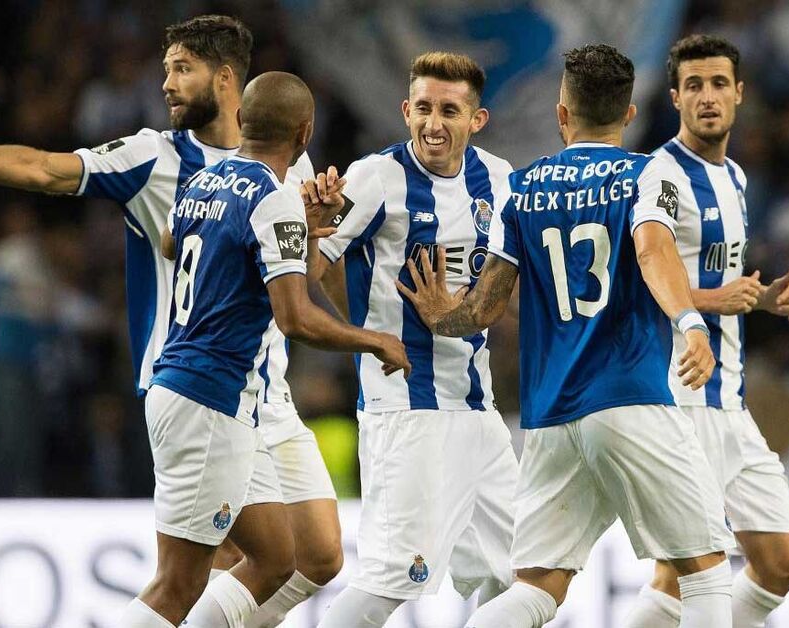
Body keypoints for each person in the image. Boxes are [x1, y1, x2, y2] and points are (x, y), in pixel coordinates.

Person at [0, 16, 346, 626]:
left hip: (268, 392)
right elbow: (44, 169)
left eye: (182, 69)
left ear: (226, 78)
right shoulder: (154, 156)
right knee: (219, 567)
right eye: (166, 70)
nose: (166, 84)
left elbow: (308, 271)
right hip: (199, 386)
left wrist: (322, 237)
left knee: (318, 558)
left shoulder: (290, 165)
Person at [399, 44, 736, 628]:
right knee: (705, 574)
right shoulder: (648, 173)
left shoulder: (520, 188)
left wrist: (438, 316)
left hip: (551, 417)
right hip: (630, 398)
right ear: (628, 113)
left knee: (537, 587)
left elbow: (483, 309)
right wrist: (689, 322)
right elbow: (652, 250)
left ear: (561, 113)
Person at [138, 71, 409, 627]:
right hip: (209, 398)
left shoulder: (202, 181)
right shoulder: (272, 198)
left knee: (280, 559)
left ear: (241, 120)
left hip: (205, 393)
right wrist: (375, 340)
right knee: (176, 586)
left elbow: (168, 243)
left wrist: (293, 233)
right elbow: (296, 318)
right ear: (305, 134)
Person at [305, 52, 518, 627]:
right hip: (406, 409)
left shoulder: (499, 180)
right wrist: (367, 331)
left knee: (520, 573)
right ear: (405, 111)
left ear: (477, 120)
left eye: (449, 110)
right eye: (423, 108)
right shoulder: (376, 178)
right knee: (391, 580)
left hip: (476, 409)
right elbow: (315, 263)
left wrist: (458, 311)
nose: (433, 123)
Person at [622, 34, 789, 628]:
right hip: (680, 396)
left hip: (730, 403)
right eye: (694, 85)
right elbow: (641, 277)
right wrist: (709, 303)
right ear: (675, 97)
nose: (708, 96)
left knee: (780, 566)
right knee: (681, 578)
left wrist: (765, 299)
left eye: (719, 83)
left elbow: (718, 281)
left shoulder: (736, 179)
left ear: (739, 93)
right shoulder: (661, 174)